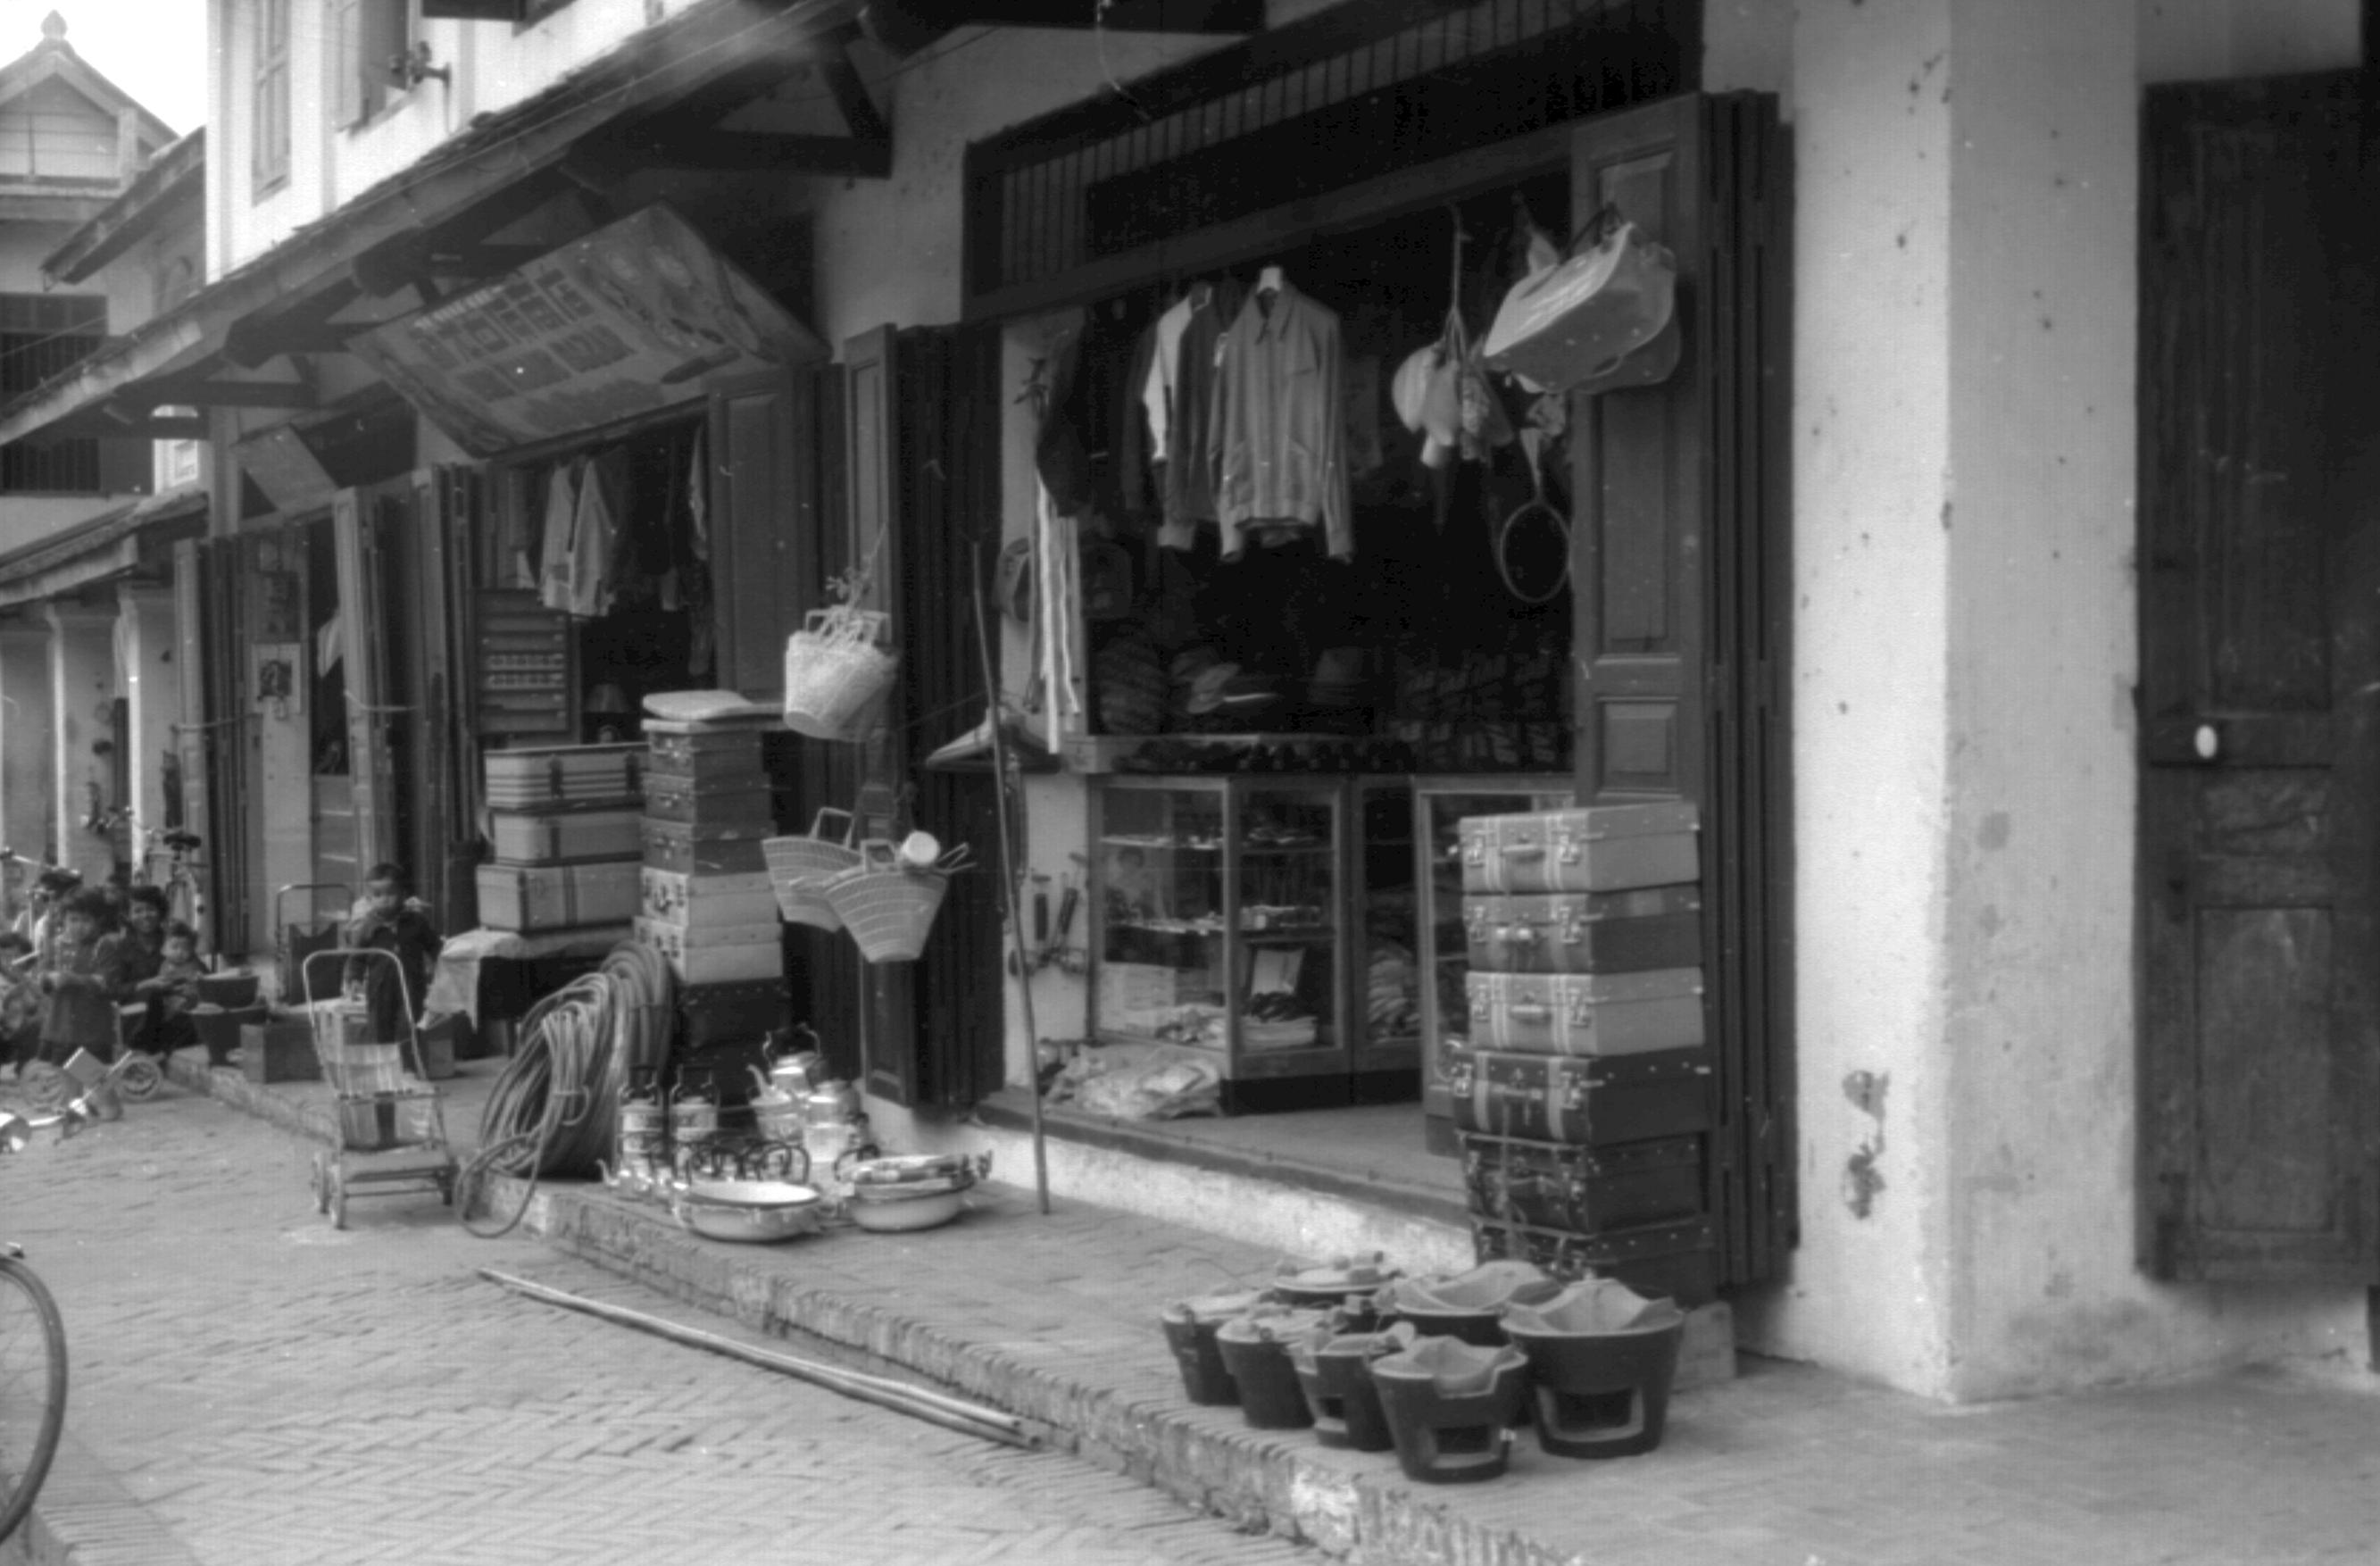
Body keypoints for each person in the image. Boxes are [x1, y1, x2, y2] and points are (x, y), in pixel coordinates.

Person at [343, 863, 441, 1053]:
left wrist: (440, 967)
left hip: (411, 983)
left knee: (409, 1023)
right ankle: (383, 1061)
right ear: (369, 899)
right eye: (377, 895)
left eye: (390, 893)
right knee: (380, 1025)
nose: (384, 900)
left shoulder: (416, 921)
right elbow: (357, 957)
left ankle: (409, 1061)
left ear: (403, 894)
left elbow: (433, 945)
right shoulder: (368, 926)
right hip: (380, 985)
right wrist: (354, 978)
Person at [33, 887, 123, 1067]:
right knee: (58, 1073)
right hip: (59, 1024)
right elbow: (42, 972)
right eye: (73, 919)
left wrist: (72, 979)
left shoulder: (104, 946)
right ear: (64, 919)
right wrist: (46, 978)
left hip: (93, 1029)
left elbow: (108, 983)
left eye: (86, 920)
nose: (79, 926)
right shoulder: (57, 944)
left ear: (99, 920)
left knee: (93, 1076)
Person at [129, 920, 204, 1060]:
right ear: (163, 949)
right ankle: (142, 1045)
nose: (180, 952)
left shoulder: (194, 967)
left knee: (190, 1024)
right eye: (175, 947)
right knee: (151, 1004)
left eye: (185, 948)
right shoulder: (164, 965)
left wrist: (193, 988)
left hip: (184, 1012)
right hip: (166, 1012)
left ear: (192, 950)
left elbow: (199, 991)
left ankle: (164, 1053)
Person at [0, 930, 37, 1079]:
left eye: (16, 957)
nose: (9, 962)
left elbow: (37, 1007)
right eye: (4, 957)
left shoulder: (32, 981)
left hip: (24, 1038)